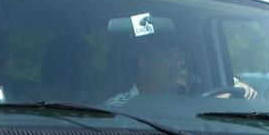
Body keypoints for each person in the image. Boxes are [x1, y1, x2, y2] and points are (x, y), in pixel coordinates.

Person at [105, 31, 257, 108]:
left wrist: (235, 86)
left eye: (179, 59)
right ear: (144, 63)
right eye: (167, 58)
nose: (176, 66)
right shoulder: (120, 106)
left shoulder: (186, 96)